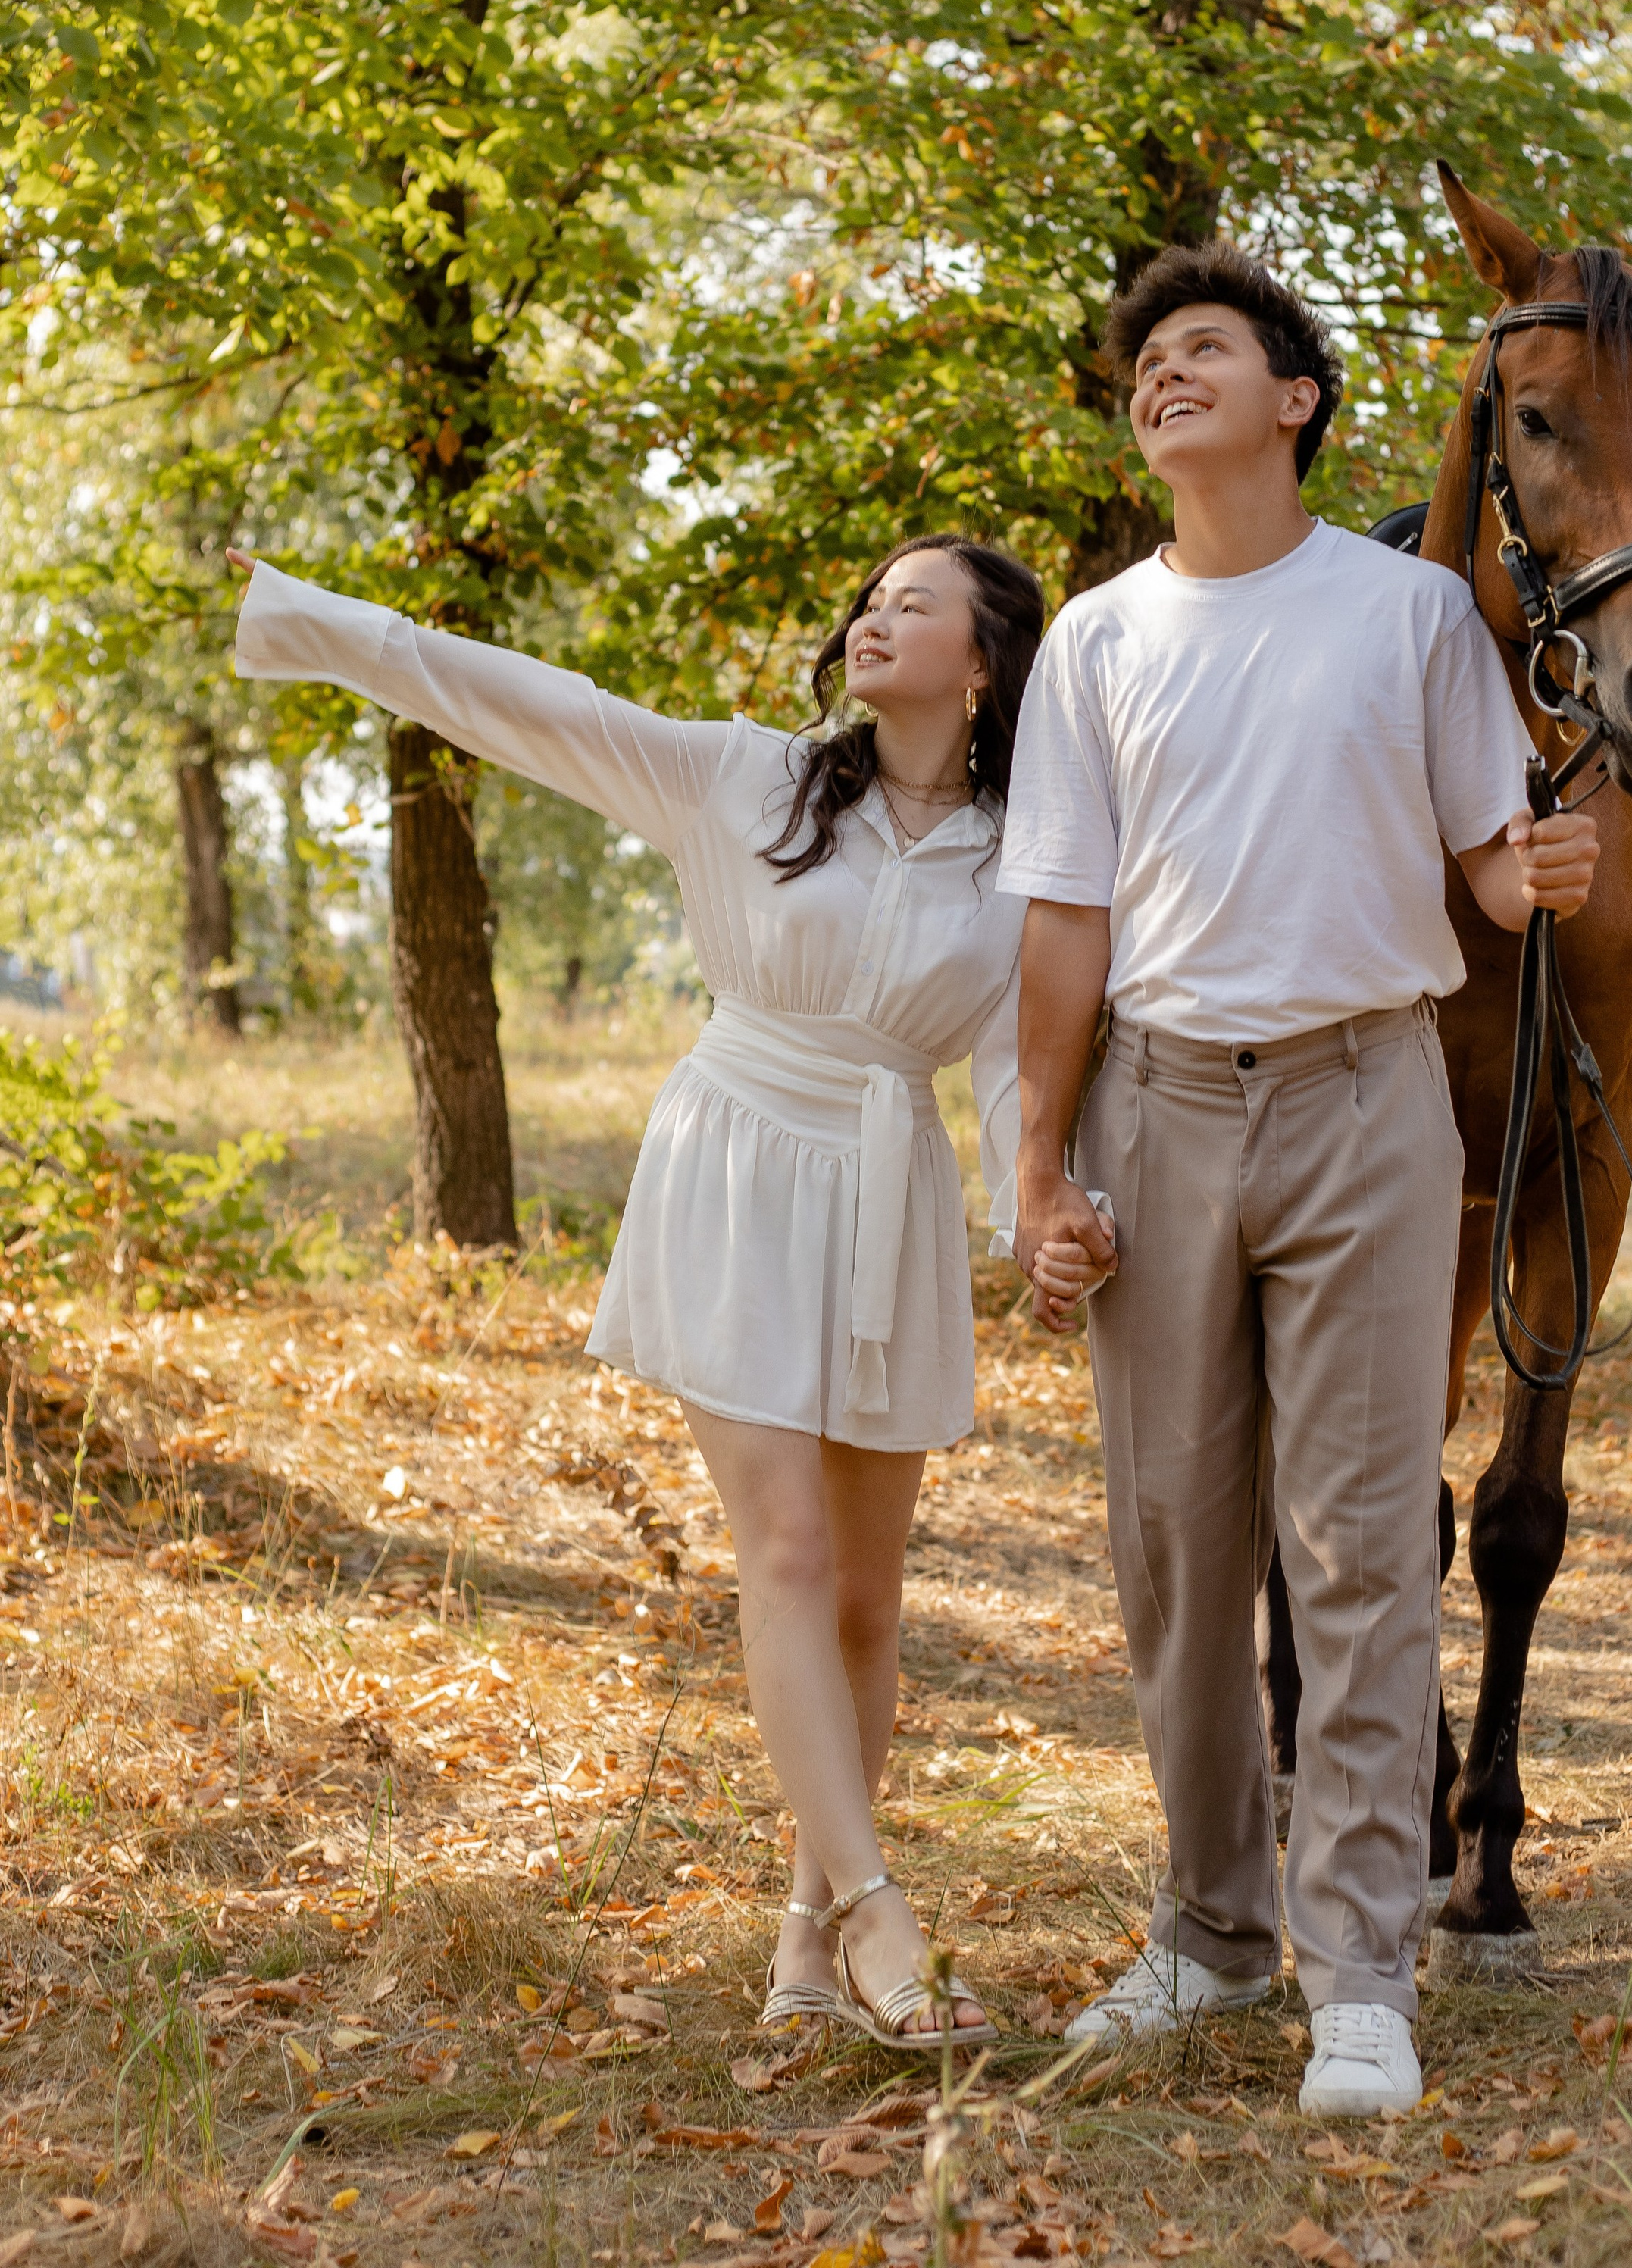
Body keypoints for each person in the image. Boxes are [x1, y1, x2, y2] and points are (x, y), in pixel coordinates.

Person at [227, 533, 1043, 2051]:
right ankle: (882, 1918)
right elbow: (518, 698)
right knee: (785, 1548)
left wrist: (1041, 1213)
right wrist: (312, 616)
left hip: (889, 1196)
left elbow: (1013, 1062)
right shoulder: (744, 777)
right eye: (867, 600)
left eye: (914, 604)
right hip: (738, 1167)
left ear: (985, 662)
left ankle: (806, 1935)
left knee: (866, 1599)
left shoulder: (1020, 852)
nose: (873, 618)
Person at [1004, 242, 1601, 2115]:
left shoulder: (1406, 614)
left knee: (1355, 1545)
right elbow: (1065, 921)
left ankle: (1359, 1974)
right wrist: (1035, 1164)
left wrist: (1537, 873)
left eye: (1201, 348)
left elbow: (1481, 859)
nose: (1160, 377)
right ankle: (1206, 1932)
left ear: (1294, 400)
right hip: (1158, 1110)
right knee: (1177, 1554)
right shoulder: (1095, 640)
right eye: (1142, 365)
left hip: (1364, 1101)